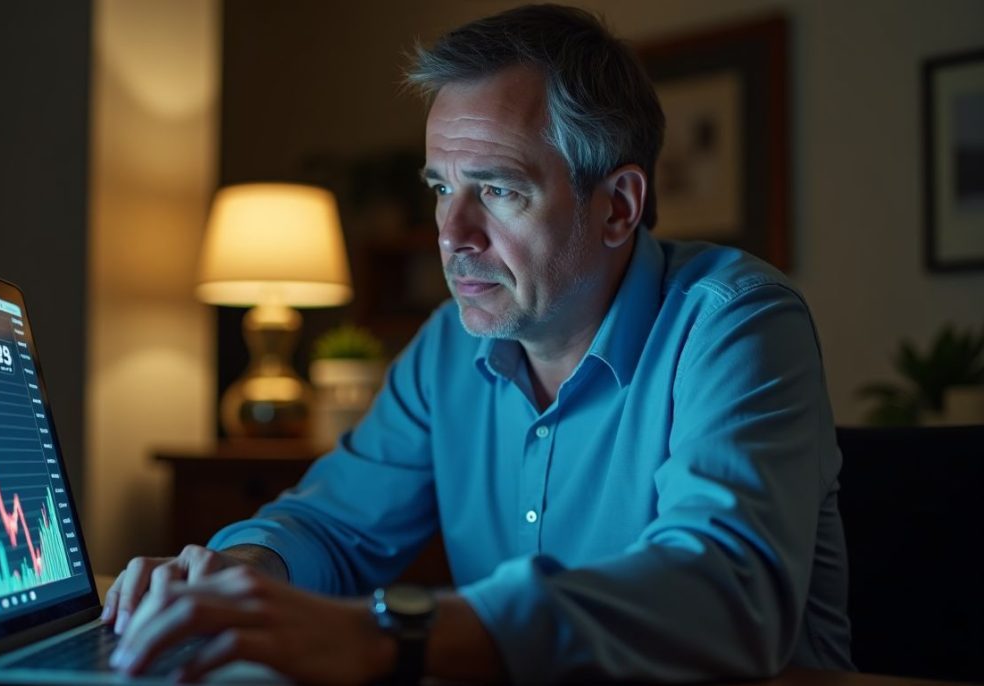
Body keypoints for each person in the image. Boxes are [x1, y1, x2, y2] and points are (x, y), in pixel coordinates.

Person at [102, 5, 854, 683]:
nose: (451, 235)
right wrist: (238, 573)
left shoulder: (736, 322)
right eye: (440, 188)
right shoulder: (445, 351)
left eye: (496, 190)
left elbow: (726, 597)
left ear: (618, 207)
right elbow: (331, 525)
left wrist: (398, 638)